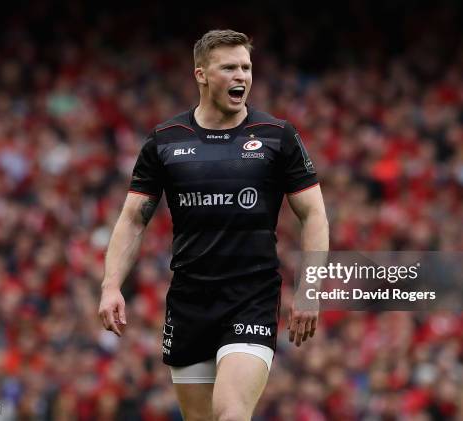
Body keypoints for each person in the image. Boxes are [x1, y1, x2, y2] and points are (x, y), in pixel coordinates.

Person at [98, 29, 329, 421]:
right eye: (229, 68)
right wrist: (110, 286)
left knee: (232, 412)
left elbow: (315, 214)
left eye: (246, 67)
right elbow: (134, 219)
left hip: (250, 297)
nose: (241, 76)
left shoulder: (277, 136)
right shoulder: (165, 141)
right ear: (201, 75)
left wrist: (310, 288)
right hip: (189, 302)